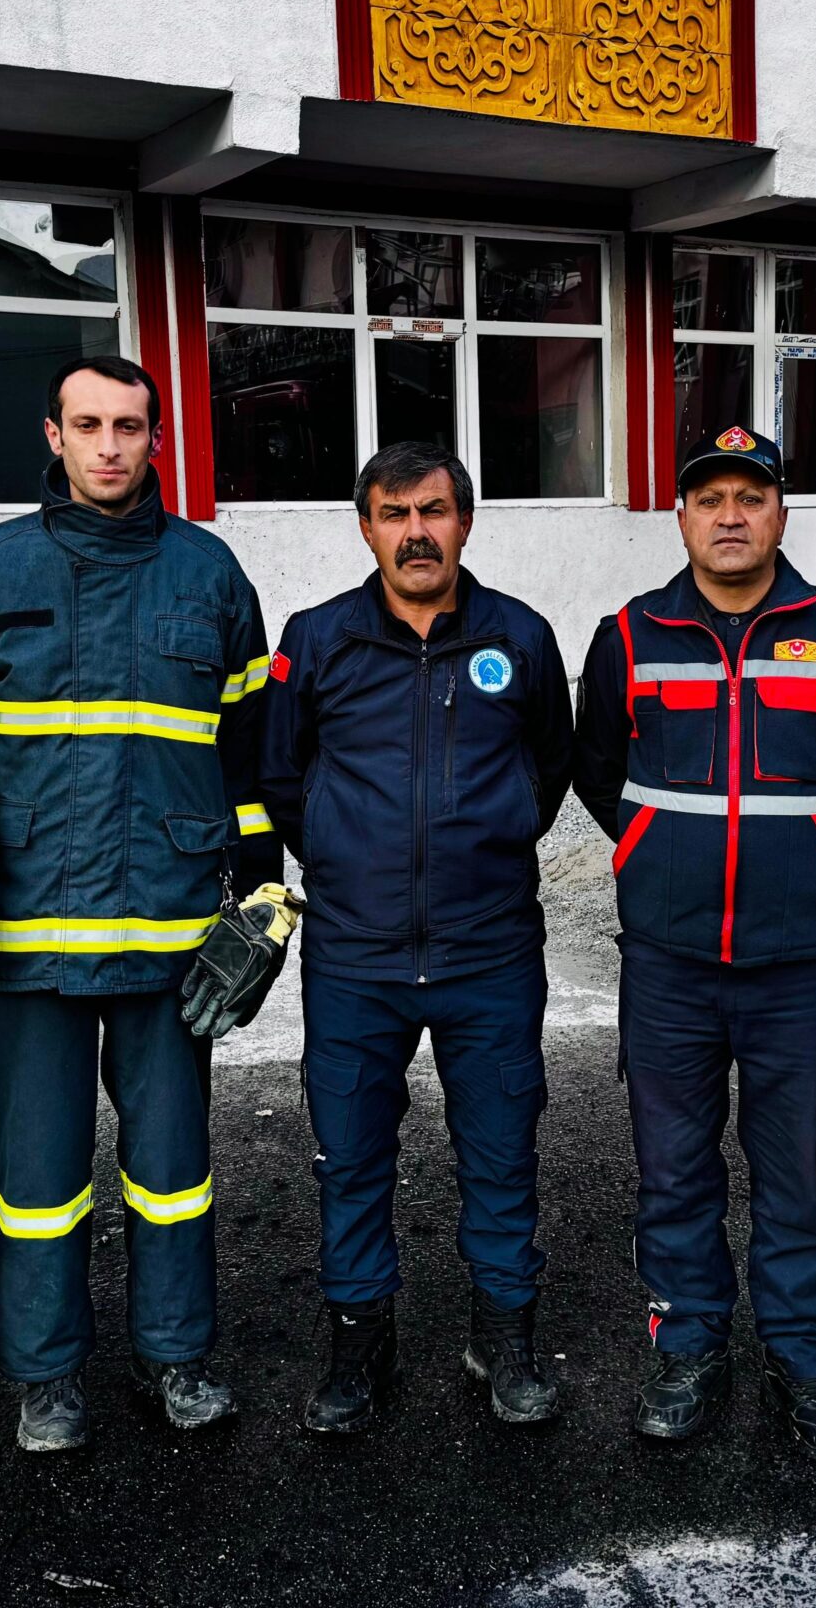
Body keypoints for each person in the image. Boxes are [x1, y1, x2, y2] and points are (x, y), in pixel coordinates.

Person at [0, 355, 278, 1454]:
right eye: (88, 425)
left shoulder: (208, 573)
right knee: (36, 1180)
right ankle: (47, 1376)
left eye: (129, 426)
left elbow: (244, 757)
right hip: (26, 938)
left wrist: (258, 900)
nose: (110, 445)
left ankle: (176, 1357)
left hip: (168, 940)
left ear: (156, 439)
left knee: (172, 1173)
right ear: (52, 437)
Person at [571, 426, 816, 1462]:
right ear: (681, 516)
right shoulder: (628, 635)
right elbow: (594, 771)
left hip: (797, 970)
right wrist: (647, 844)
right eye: (708, 497)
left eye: (749, 497)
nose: (729, 515)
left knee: (798, 1175)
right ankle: (687, 1346)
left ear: (779, 513)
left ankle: (805, 1357)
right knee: (673, 1174)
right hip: (668, 968)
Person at [257, 441, 574, 1433]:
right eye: (393, 514)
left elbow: (551, 766)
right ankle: (359, 1349)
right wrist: (349, 861)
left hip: (489, 950)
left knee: (500, 1150)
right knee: (350, 1155)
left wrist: (497, 827)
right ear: (365, 529)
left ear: (465, 523)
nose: (416, 532)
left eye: (433, 511)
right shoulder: (315, 641)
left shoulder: (519, 637)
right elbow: (279, 779)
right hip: (357, 955)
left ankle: (505, 1342)